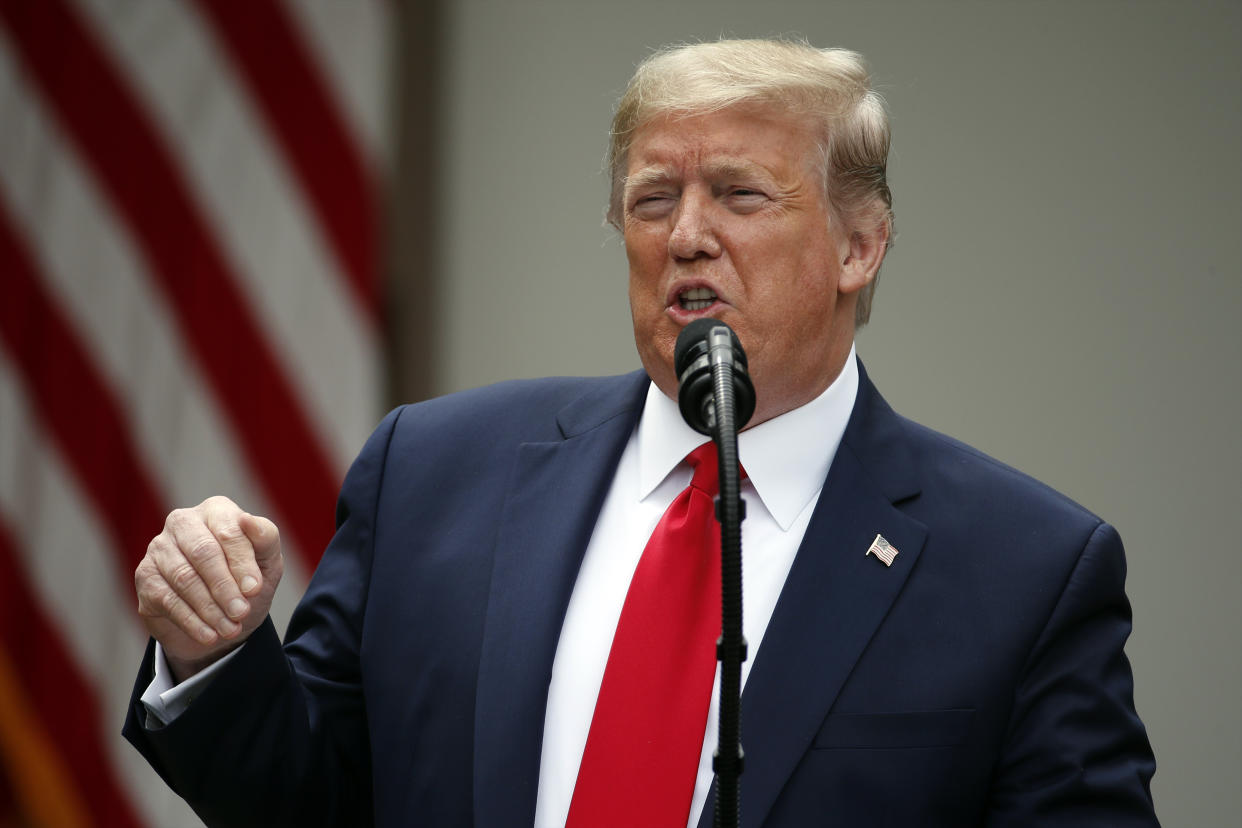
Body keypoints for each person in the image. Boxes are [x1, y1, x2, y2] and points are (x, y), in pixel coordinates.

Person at [124, 39, 1158, 827]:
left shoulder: (1024, 573)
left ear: (861, 244)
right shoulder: (434, 474)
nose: (687, 234)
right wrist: (213, 653)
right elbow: (314, 799)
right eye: (653, 199)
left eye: (741, 195)